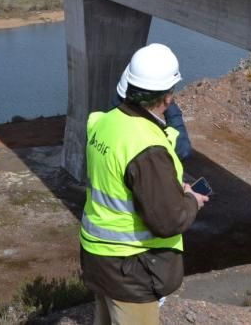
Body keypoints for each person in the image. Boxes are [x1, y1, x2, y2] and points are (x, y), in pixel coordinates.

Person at [81, 44, 209, 325]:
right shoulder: (147, 146)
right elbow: (168, 221)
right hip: (130, 269)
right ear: (166, 98)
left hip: (98, 258)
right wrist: (191, 201)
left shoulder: (104, 123)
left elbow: (120, 186)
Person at [112, 62, 193, 161]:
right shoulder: (155, 142)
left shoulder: (98, 121)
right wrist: (170, 105)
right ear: (167, 99)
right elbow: (183, 150)